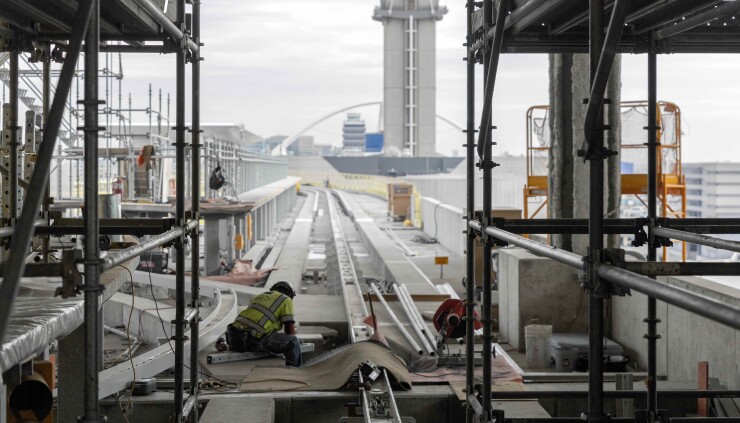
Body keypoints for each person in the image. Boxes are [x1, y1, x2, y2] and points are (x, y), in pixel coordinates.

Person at [227, 280, 302, 367]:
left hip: (235, 339)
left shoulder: (258, 296)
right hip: (254, 342)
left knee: (273, 333)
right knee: (294, 342)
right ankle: (295, 373)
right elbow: (289, 331)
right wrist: (292, 332)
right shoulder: (286, 299)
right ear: (290, 294)